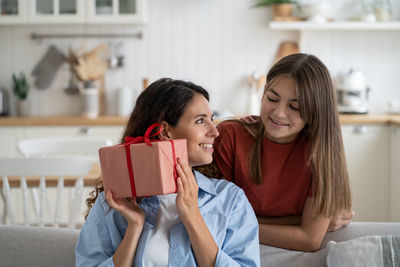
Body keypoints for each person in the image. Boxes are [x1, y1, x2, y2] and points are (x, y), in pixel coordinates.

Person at [75, 78, 260, 266]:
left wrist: (193, 216)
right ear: (165, 131)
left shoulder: (230, 200)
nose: (215, 132)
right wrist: (134, 228)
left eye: (210, 120)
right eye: (200, 121)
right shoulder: (114, 202)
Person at [197, 53, 353, 252]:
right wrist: (300, 222)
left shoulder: (321, 154)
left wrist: (240, 223)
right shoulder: (230, 136)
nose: (279, 112)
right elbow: (211, 218)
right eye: (272, 98)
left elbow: (309, 240)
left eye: (294, 106)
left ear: (316, 111)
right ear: (264, 93)